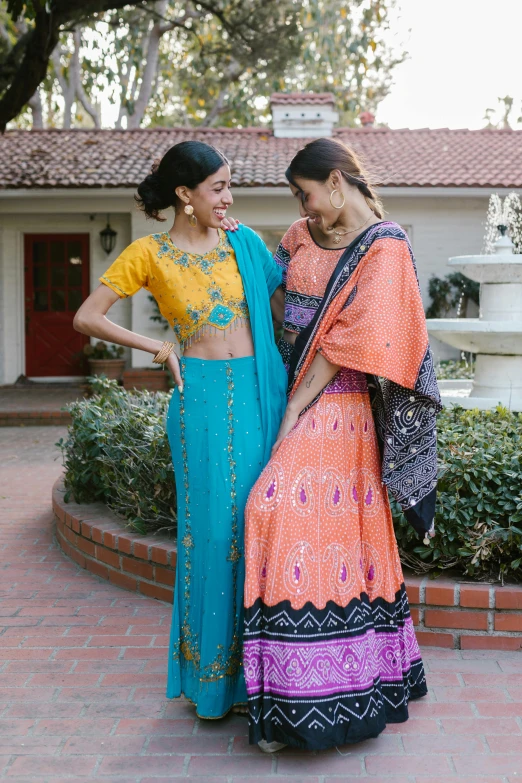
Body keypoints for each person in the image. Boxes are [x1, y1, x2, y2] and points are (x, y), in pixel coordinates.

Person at [73, 140, 287, 722]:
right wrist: (157, 348)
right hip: (201, 401)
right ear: (184, 196)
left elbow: (288, 297)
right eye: (217, 188)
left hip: (260, 396)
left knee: (259, 529)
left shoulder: (244, 243)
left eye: (228, 185)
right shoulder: (149, 253)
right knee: (215, 537)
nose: (229, 197)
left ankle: (262, 679)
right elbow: (87, 315)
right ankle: (213, 682)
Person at [242, 138, 441, 752]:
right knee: (322, 540)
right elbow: (269, 290)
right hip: (289, 391)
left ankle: (308, 699)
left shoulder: (386, 246)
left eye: (307, 195)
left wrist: (296, 405)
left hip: (339, 406)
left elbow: (355, 341)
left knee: (269, 510)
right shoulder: (300, 236)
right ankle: (292, 697)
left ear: (334, 181)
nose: (305, 209)